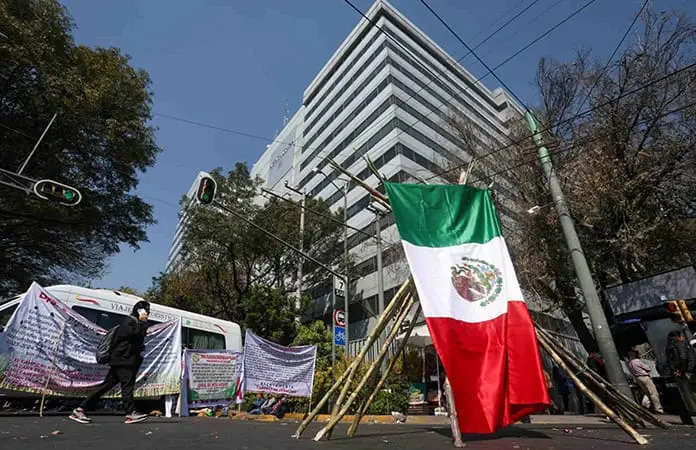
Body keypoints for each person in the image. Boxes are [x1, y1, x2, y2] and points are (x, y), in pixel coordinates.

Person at [69, 301, 151, 424]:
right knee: (127, 387)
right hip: (124, 361)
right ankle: (130, 413)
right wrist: (143, 322)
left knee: (105, 387)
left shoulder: (134, 323)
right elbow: (135, 335)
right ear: (140, 311)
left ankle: (80, 409)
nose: (148, 314)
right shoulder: (129, 322)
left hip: (123, 361)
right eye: (147, 311)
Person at [628, 349, 663, 414]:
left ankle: (649, 406)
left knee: (647, 393)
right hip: (645, 377)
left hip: (638, 378)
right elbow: (648, 368)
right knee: (653, 393)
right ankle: (658, 408)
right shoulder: (637, 361)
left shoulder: (629, 363)